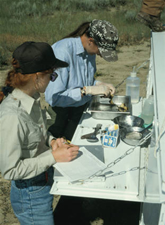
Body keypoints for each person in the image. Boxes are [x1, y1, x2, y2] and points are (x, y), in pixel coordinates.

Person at [0, 41, 79, 225]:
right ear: (37, 77)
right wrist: (53, 156)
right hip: (29, 194)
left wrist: (51, 142)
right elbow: (10, 170)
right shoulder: (12, 116)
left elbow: (36, 131)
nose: (54, 79)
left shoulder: (32, 98)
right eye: (51, 75)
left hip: (41, 182)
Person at [45, 19, 119, 141]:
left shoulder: (89, 52)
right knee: (55, 151)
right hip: (59, 114)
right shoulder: (62, 52)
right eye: (101, 51)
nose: (100, 55)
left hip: (78, 110)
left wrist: (97, 84)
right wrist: (87, 90)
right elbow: (54, 97)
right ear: (91, 41)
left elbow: (80, 80)